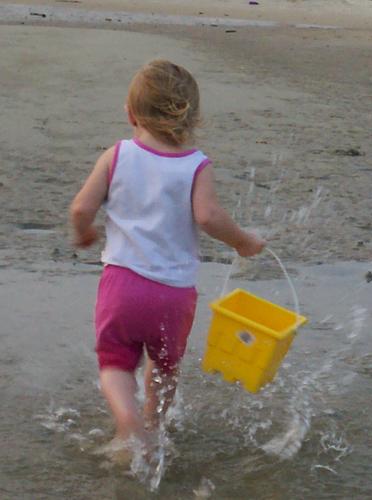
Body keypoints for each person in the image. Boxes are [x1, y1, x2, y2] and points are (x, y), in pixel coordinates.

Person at [70, 59, 265, 453]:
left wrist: (86, 232)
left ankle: (126, 421)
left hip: (122, 286)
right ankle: (153, 428)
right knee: (164, 369)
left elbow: (79, 209)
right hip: (173, 295)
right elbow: (208, 216)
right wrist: (244, 241)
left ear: (129, 112)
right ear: (193, 118)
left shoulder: (117, 155)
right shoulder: (197, 164)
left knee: (115, 363)